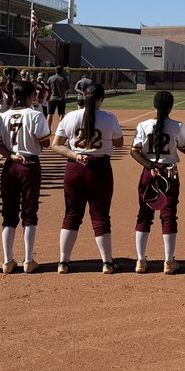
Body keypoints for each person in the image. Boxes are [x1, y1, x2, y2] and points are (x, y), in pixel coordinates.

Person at [52, 79, 124, 273]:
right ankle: (107, 262)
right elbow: (119, 143)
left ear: (84, 97)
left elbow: (56, 144)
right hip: (99, 169)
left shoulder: (70, 116)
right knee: (100, 216)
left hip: (75, 168)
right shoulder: (109, 117)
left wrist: (75, 154)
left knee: (72, 215)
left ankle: (63, 262)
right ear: (101, 98)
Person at [130, 90, 185, 273]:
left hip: (149, 172)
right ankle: (168, 261)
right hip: (169, 172)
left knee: (144, 215)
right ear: (171, 107)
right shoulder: (177, 125)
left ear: (154, 106)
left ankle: (140, 260)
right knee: (169, 215)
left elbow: (134, 151)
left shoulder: (143, 125)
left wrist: (150, 165)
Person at [0, 80, 52, 273]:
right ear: (31, 96)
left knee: (9, 212)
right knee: (29, 212)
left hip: (11, 164)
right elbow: (45, 142)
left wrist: (11, 154)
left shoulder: (4, 116)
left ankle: (6, 260)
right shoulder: (36, 115)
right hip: (29, 165)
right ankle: (28, 260)